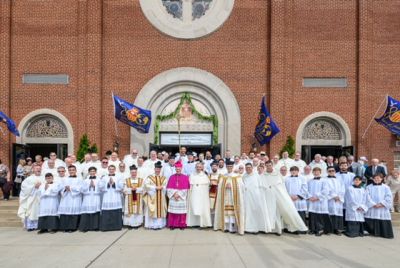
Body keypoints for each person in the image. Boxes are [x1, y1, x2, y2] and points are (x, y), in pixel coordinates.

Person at [264, 161, 308, 234]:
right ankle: (270, 228)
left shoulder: (277, 174)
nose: (268, 166)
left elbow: (281, 187)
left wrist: (293, 196)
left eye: (270, 165)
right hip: (268, 197)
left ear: (272, 165)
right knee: (270, 213)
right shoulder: (264, 174)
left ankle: (279, 230)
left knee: (279, 213)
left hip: (278, 196)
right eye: (267, 165)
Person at [214, 160, 245, 235]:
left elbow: (241, 187)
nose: (229, 168)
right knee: (225, 213)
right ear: (226, 167)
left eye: (231, 166)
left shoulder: (237, 176)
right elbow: (219, 187)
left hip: (233, 198)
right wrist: (224, 186)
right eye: (228, 166)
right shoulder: (223, 176)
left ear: (233, 167)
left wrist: (231, 186)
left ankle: (233, 228)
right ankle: (226, 227)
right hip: (225, 198)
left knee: (232, 213)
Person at [243, 163, 271, 233]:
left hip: (255, 197)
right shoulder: (244, 176)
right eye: (246, 168)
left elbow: (262, 186)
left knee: (254, 212)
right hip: (246, 197)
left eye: (249, 167)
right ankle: (246, 228)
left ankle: (255, 229)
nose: (248, 169)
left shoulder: (257, 176)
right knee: (247, 212)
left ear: (252, 168)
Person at [364, 173, 394, 239]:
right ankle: (371, 232)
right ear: (373, 179)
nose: (377, 179)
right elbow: (366, 197)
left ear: (382, 179)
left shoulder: (386, 187)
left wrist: (382, 204)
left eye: (378, 178)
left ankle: (383, 233)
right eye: (375, 178)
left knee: (382, 218)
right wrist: (373, 204)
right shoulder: (368, 187)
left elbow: (389, 197)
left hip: (382, 207)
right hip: (372, 207)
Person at [18, 164, 44, 231]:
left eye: (39, 168)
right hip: (32, 198)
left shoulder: (44, 178)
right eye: (36, 168)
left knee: (40, 212)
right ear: (33, 170)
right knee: (31, 211)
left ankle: (40, 225)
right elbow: (24, 187)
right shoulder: (29, 178)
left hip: (42, 198)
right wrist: (34, 186)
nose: (38, 169)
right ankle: (30, 226)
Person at [143, 161, 167, 230]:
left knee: (160, 210)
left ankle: (159, 225)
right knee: (152, 210)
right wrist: (155, 188)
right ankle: (151, 225)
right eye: (156, 169)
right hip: (152, 197)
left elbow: (166, 186)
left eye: (159, 169)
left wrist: (162, 187)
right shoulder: (150, 177)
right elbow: (146, 185)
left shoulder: (163, 177)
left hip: (161, 197)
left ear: (160, 170)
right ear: (154, 169)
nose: (158, 170)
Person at [98, 165, 124, 231]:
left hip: (116, 196)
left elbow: (121, 186)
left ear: (115, 170)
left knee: (116, 210)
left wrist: (114, 183)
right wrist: (107, 184)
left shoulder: (119, 177)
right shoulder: (104, 177)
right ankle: (106, 227)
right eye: (110, 169)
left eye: (112, 169)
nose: (111, 170)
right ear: (108, 170)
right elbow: (100, 186)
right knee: (107, 211)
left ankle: (116, 227)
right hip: (107, 196)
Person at [307, 167, 331, 236]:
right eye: (314, 171)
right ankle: (312, 229)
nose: (316, 172)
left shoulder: (324, 181)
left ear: (320, 172)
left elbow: (326, 190)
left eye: (317, 171)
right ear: (312, 172)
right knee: (312, 215)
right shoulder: (310, 181)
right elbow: (307, 190)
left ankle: (320, 229)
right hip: (312, 200)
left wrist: (317, 197)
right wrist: (310, 197)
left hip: (320, 201)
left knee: (319, 216)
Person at [166, 161, 190, 230]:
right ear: (175, 169)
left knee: (181, 212)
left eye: (179, 169)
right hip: (173, 197)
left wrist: (179, 195)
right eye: (176, 169)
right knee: (173, 212)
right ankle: (172, 224)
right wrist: (174, 194)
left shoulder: (185, 177)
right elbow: (168, 188)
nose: (178, 170)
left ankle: (181, 225)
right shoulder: (171, 177)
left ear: (181, 169)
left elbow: (186, 189)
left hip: (181, 197)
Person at [58, 165, 82, 232]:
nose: (71, 171)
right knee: (65, 212)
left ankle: (73, 227)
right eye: (70, 170)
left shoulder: (79, 179)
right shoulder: (64, 179)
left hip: (75, 198)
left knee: (73, 212)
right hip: (66, 198)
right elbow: (60, 188)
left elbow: (81, 188)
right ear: (68, 171)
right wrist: (65, 189)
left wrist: (71, 188)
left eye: (73, 170)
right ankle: (65, 227)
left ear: (76, 171)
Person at [187, 162, 212, 228]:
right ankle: (193, 223)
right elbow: (189, 185)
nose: (198, 168)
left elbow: (207, 185)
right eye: (197, 167)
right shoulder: (192, 175)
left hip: (202, 196)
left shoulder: (204, 175)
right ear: (195, 167)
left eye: (200, 167)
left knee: (202, 208)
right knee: (193, 207)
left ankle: (202, 223)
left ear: (202, 168)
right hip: (193, 194)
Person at [79, 166, 102, 232]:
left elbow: (101, 189)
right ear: (89, 172)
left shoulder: (99, 180)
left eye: (93, 171)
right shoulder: (85, 180)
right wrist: (89, 186)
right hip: (87, 197)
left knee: (95, 211)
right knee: (86, 211)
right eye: (91, 171)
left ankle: (95, 227)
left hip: (95, 197)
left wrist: (94, 186)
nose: (92, 172)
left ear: (95, 172)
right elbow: (82, 190)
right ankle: (85, 227)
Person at [123, 165, 145, 229]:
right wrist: (130, 189)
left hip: (138, 198)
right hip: (129, 198)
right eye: (132, 172)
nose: (133, 174)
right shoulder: (126, 180)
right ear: (130, 173)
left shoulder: (141, 180)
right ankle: (129, 224)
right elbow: (124, 190)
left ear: (136, 172)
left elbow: (143, 189)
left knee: (137, 210)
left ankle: (137, 224)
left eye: (135, 172)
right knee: (130, 211)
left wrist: (136, 189)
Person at [326, 166, 345, 235]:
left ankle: (337, 229)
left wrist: (339, 197)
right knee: (329, 214)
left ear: (335, 171)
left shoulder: (339, 179)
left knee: (337, 214)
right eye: (329, 171)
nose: (331, 172)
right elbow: (326, 189)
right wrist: (333, 196)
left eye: (333, 171)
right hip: (330, 200)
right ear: (327, 172)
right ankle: (328, 229)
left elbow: (343, 189)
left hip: (338, 200)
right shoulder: (325, 180)